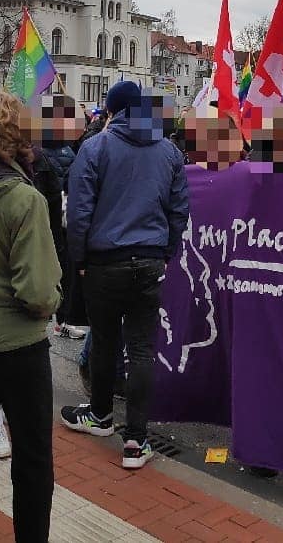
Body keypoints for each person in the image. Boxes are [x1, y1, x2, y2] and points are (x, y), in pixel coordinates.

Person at [61, 82, 189, 469]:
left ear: (113, 111)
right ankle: (136, 439)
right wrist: (166, 252)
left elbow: (79, 211)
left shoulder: (95, 147)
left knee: (104, 342)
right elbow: (178, 209)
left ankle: (100, 416)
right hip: (149, 261)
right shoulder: (168, 150)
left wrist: (79, 260)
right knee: (141, 349)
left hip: (103, 260)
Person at [0, 90, 63, 542]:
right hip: (17, 347)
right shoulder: (23, 199)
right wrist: (54, 302)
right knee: (32, 460)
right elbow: (38, 291)